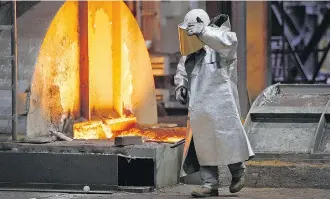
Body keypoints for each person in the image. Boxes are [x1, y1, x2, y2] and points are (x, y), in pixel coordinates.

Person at [174, 9, 255, 198]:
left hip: (221, 105)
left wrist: (203, 32)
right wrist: (181, 87)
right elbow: (181, 72)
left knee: (225, 139)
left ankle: (238, 173)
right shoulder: (189, 54)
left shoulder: (219, 47)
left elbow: (230, 41)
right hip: (199, 108)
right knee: (203, 144)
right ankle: (209, 184)